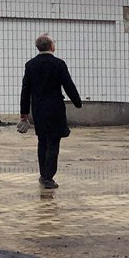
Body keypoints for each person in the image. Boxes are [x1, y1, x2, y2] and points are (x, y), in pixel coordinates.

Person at [20, 34, 82, 189]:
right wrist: (77, 102)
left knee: (42, 141)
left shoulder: (30, 65)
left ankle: (43, 174)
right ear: (51, 46)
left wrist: (24, 112)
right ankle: (49, 177)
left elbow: (25, 90)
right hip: (55, 109)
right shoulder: (58, 64)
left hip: (38, 109)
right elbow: (68, 85)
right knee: (54, 142)